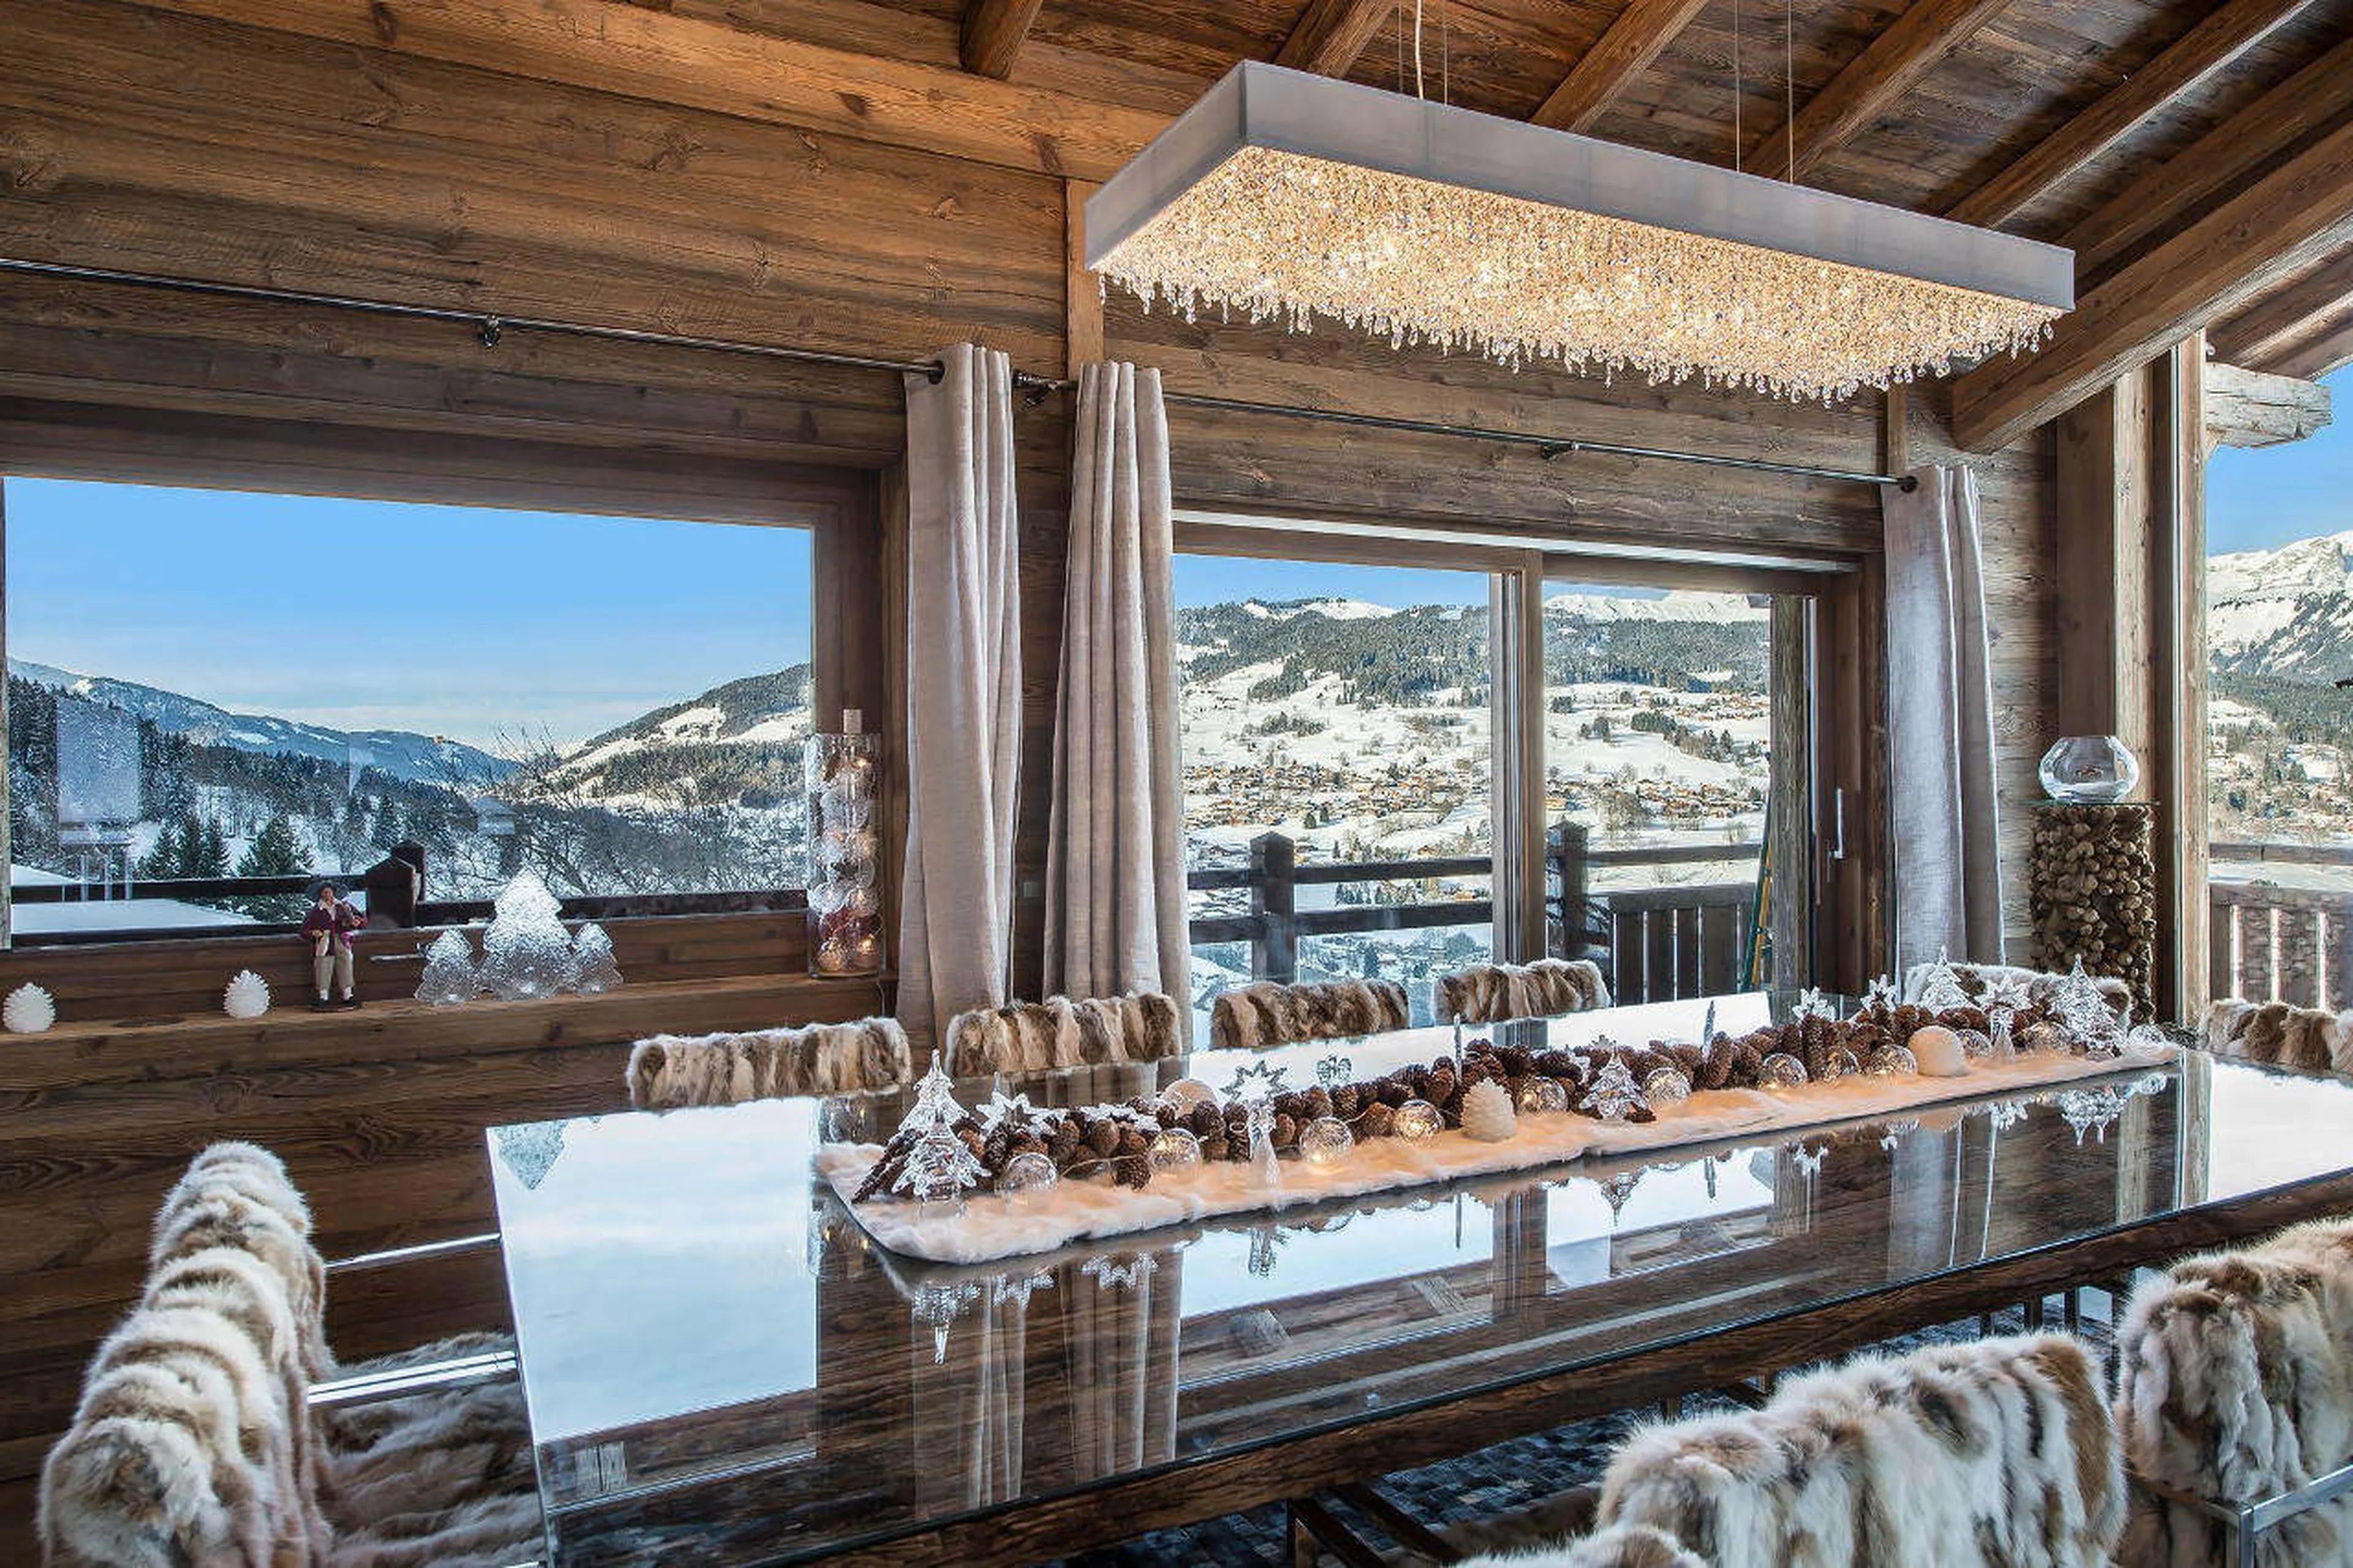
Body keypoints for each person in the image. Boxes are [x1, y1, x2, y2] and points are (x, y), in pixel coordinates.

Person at [302, 884, 364, 1012]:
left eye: (330, 892)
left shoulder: (343, 907)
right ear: (321, 895)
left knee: (345, 964)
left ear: (334, 893)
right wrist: (313, 933)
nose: (328, 895)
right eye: (325, 893)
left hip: (341, 939)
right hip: (325, 941)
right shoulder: (315, 911)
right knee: (323, 966)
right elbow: (304, 930)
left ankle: (348, 994)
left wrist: (356, 922)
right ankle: (323, 996)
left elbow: (360, 919)